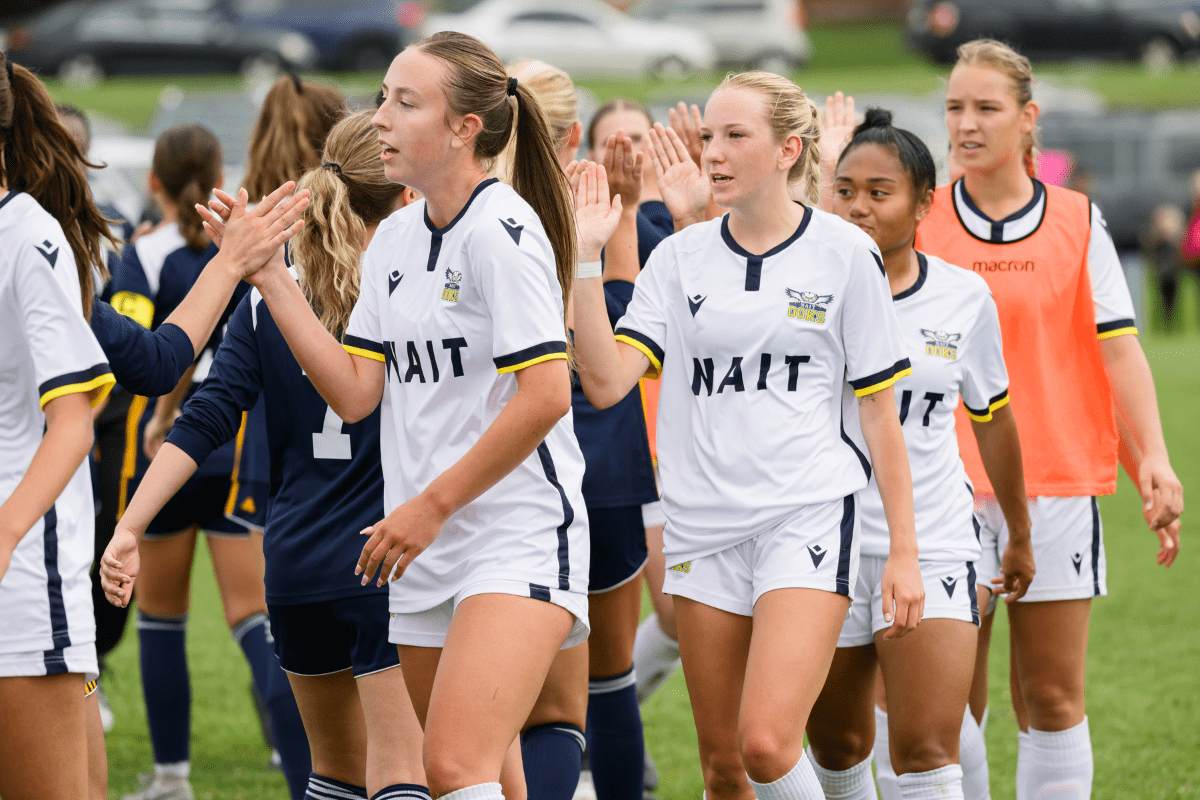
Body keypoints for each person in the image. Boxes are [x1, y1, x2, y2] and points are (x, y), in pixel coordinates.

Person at [197, 31, 589, 800]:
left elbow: (547, 396)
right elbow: (355, 393)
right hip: (421, 547)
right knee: (486, 777)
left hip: (511, 533)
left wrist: (431, 506)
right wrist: (270, 277)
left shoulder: (501, 233)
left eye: (404, 102)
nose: (379, 117)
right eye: (381, 97)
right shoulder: (399, 240)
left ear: (463, 128)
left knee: (449, 767)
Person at [570, 71, 924, 800]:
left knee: (766, 744)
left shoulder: (844, 253)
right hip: (703, 530)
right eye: (709, 137)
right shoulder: (677, 259)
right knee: (725, 769)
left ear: (789, 148)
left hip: (807, 518)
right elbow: (606, 382)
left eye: (736, 136)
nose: (714, 153)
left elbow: (880, 414)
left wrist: (906, 554)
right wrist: (584, 261)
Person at [103, 110, 428, 800]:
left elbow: (203, 418)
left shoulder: (264, 305)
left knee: (334, 778)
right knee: (404, 773)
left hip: (297, 566)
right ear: (405, 195)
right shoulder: (412, 295)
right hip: (391, 558)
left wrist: (130, 524)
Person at [916, 38, 1184, 800]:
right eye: (954, 109)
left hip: (1058, 486)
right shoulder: (922, 218)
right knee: (943, 707)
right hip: (944, 489)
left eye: (986, 109)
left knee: (1053, 699)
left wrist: (1153, 461)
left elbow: (1118, 355)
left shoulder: (1077, 221)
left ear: (1027, 118)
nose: (966, 124)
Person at [804, 108, 1035, 800]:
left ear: (923, 202)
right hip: (820, 547)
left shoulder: (964, 297)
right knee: (839, 746)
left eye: (881, 192)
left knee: (926, 749)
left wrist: (1018, 533)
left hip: (932, 544)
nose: (859, 207)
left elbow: (994, 420)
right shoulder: (802, 294)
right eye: (846, 190)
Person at [107, 123, 309, 800]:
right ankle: (300, 759)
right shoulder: (247, 244)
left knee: (162, 618)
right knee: (254, 617)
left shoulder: (148, 254)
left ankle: (172, 778)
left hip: (168, 453)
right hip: (235, 448)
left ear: (154, 182)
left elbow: (133, 352)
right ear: (219, 173)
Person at [500, 61, 658, 800]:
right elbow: (622, 323)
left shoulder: (478, 209)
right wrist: (624, 208)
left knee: (515, 697)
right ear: (570, 134)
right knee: (607, 677)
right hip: (600, 453)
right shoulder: (584, 205)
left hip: (517, 461)